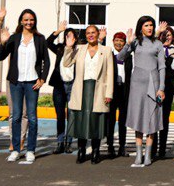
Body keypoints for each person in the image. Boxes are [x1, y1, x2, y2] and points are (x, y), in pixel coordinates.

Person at [0, 7, 49, 164]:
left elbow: (46, 61)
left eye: (31, 19)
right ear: (21, 21)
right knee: (17, 116)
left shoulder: (39, 38)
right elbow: (1, 56)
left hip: (32, 82)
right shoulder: (15, 37)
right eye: (26, 19)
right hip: (16, 82)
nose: (28, 22)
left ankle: (31, 150)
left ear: (35, 21)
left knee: (32, 117)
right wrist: (4, 42)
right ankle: (15, 150)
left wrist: (42, 79)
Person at [117, 15, 168, 167]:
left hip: (154, 83)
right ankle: (139, 155)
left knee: (151, 119)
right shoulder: (135, 43)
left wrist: (161, 88)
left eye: (151, 25)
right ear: (141, 27)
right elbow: (120, 57)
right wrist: (127, 44)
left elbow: (162, 67)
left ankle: (148, 155)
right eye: (146, 25)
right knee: (139, 119)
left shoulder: (158, 44)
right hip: (137, 84)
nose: (149, 28)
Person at [62, 23, 116, 163]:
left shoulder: (106, 50)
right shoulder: (79, 49)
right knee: (81, 120)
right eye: (88, 33)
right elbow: (66, 63)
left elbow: (110, 73)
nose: (91, 35)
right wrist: (68, 47)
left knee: (96, 121)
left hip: (99, 90)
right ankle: (81, 150)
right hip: (81, 89)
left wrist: (108, 93)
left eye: (93, 32)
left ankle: (96, 151)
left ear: (98, 34)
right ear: (85, 36)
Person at [46, 22, 77, 154]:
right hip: (59, 85)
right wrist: (58, 30)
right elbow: (48, 42)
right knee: (60, 115)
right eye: (67, 36)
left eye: (72, 36)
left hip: (73, 85)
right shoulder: (59, 48)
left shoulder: (78, 50)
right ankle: (59, 143)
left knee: (71, 115)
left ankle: (68, 143)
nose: (69, 38)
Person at [155, 25, 174, 161]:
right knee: (153, 117)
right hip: (154, 87)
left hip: (169, 88)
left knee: (164, 118)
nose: (167, 37)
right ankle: (152, 147)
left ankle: (162, 149)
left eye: (169, 35)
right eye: (164, 34)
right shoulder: (155, 49)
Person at [107, 31, 130, 159]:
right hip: (112, 90)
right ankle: (110, 146)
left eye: (121, 41)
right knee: (110, 120)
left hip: (124, 91)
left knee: (123, 120)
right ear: (113, 41)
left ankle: (122, 146)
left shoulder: (128, 56)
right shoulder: (108, 55)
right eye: (116, 40)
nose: (119, 43)